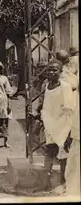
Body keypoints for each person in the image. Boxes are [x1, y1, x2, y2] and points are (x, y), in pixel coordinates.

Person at [39, 60, 75, 193]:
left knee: (63, 156)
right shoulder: (47, 85)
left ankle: (63, 183)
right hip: (50, 125)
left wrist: (68, 131)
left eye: (55, 70)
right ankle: (45, 183)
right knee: (49, 152)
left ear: (60, 72)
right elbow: (46, 105)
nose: (51, 72)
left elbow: (69, 109)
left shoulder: (65, 87)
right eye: (49, 69)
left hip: (62, 125)